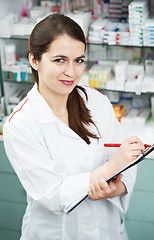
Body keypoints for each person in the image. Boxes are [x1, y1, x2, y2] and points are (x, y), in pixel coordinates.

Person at [3, 13, 145, 240]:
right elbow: (53, 195)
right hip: (57, 232)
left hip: (105, 227)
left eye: (78, 60)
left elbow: (122, 157)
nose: (72, 72)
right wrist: (111, 167)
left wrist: (116, 189)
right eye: (60, 60)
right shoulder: (20, 124)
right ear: (34, 60)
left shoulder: (95, 100)